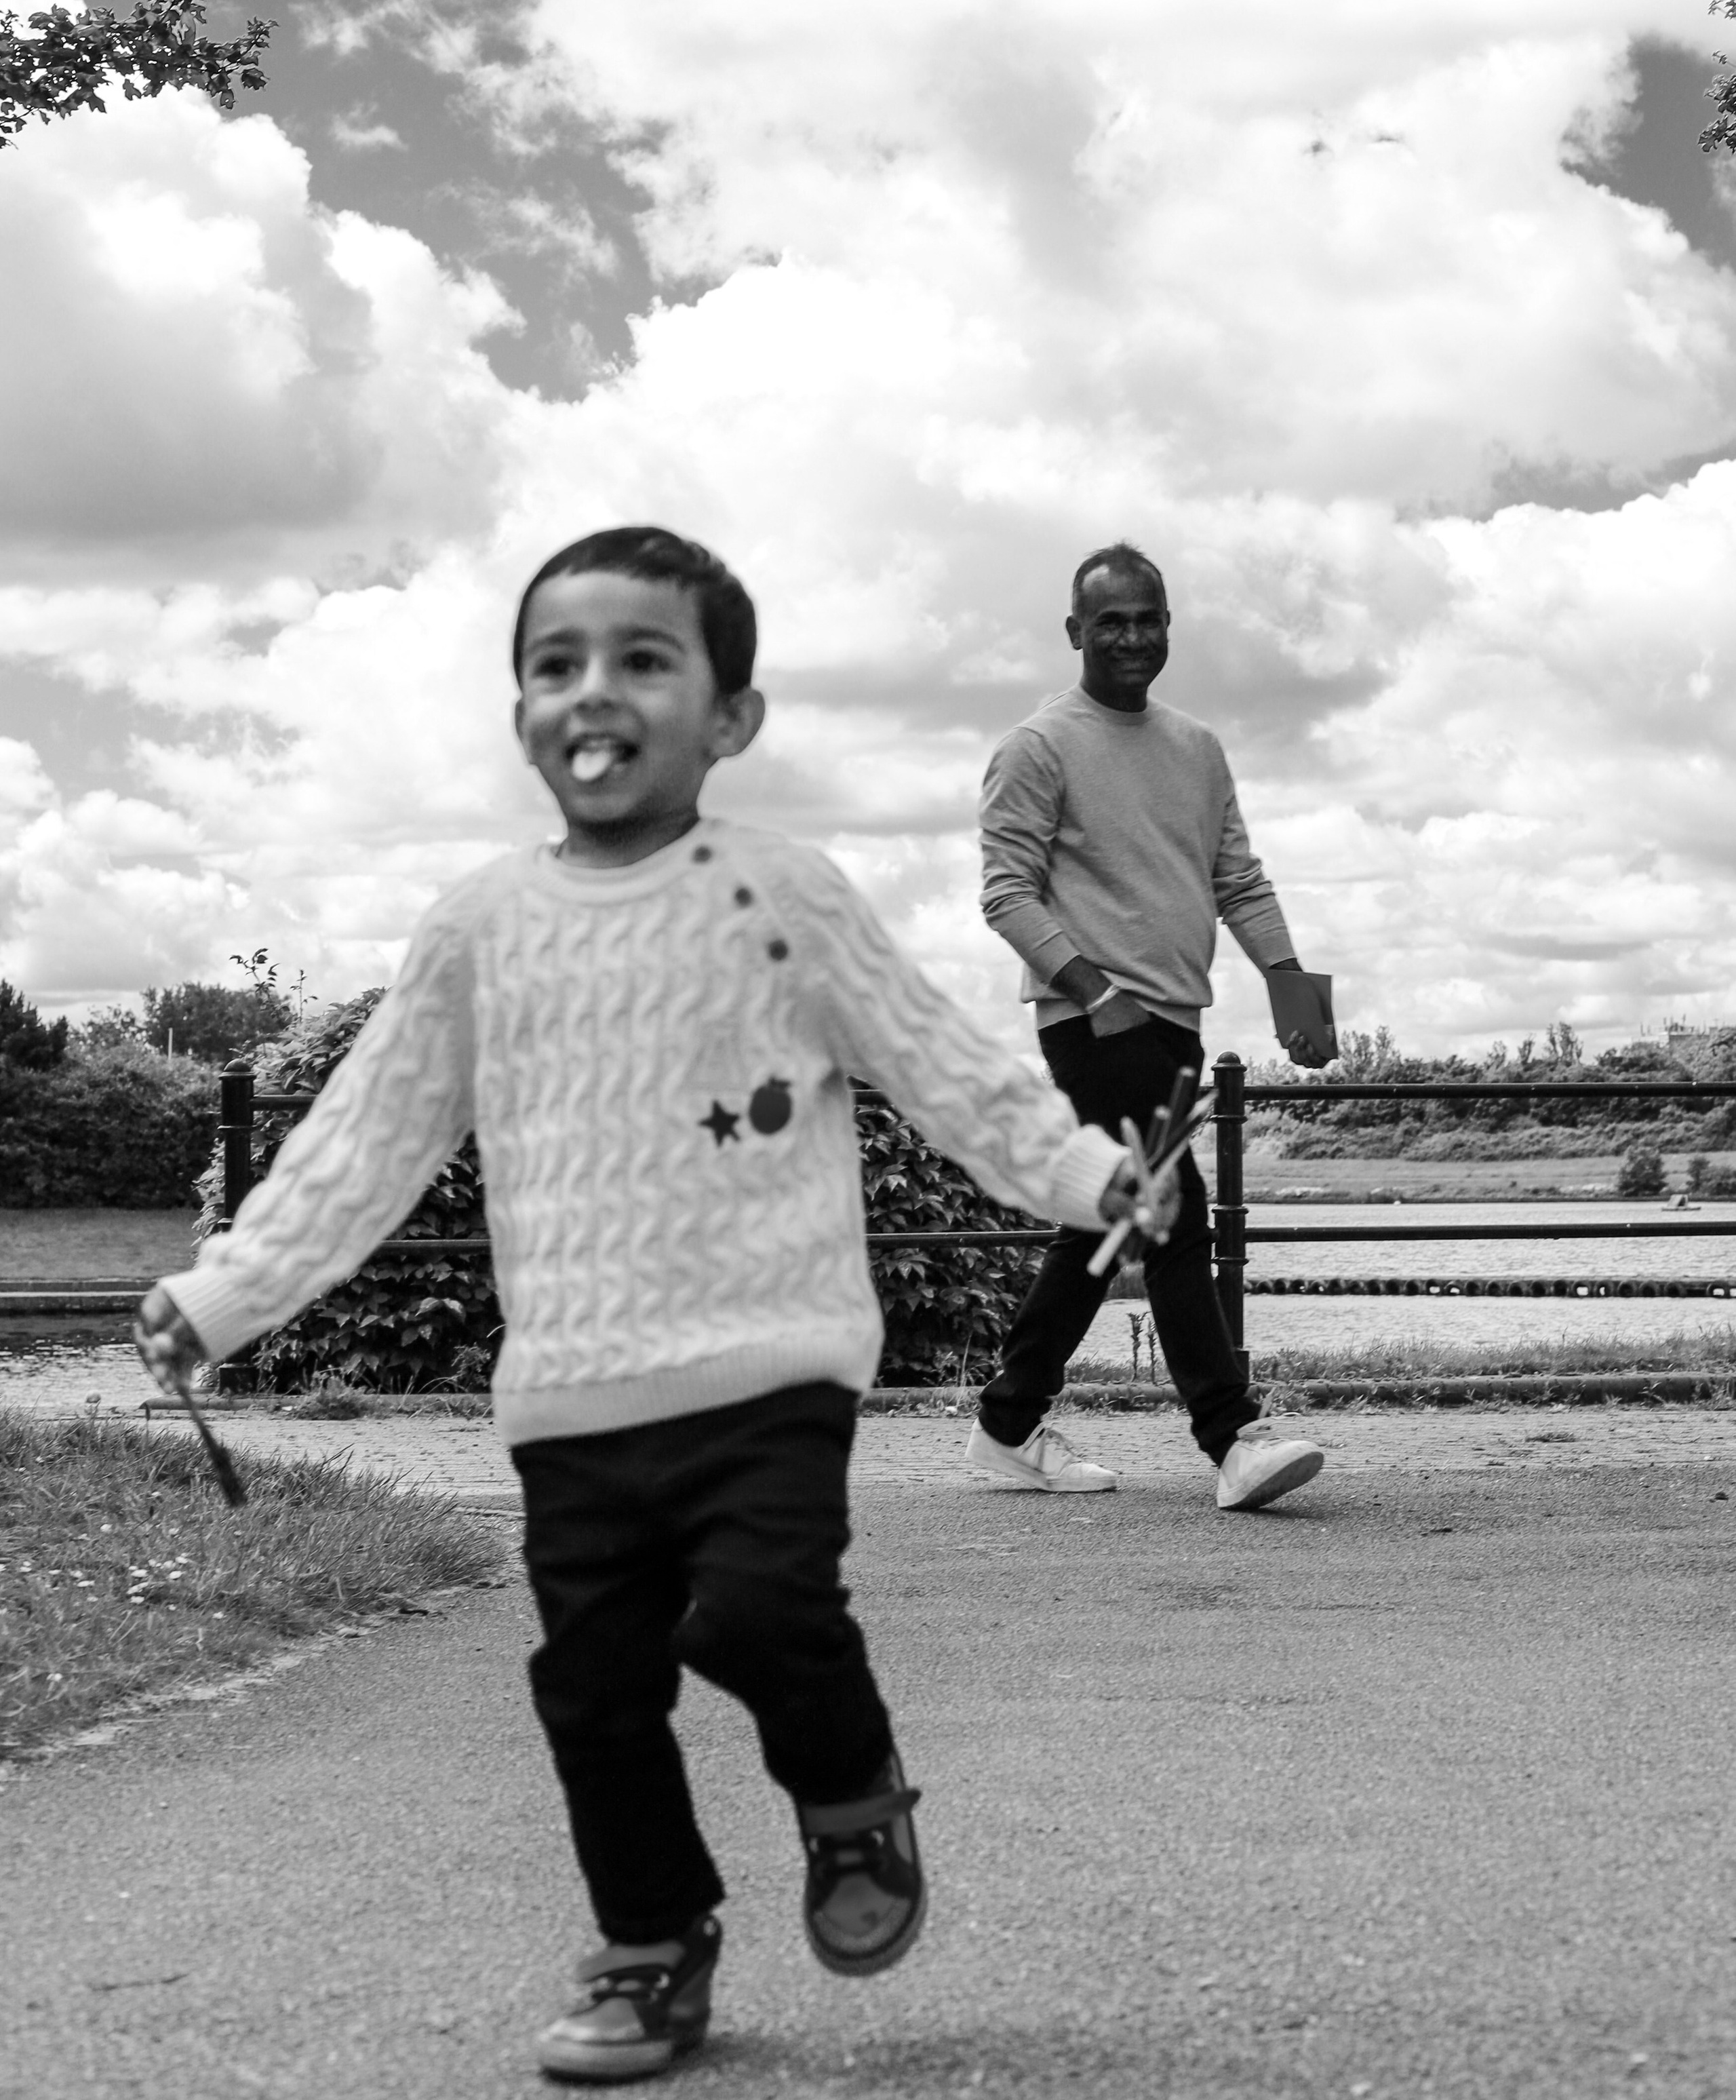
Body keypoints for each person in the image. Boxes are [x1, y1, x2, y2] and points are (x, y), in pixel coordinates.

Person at [134, 525, 1164, 2088]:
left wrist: (1091, 1178)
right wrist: (222, 1292)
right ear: (521, 716)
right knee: (593, 1686)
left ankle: (847, 1788)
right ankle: (651, 1940)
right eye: (556, 664)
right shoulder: (478, 929)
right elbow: (365, 1141)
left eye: (640, 659)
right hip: (572, 1393)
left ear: (728, 718)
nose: (591, 691)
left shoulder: (784, 893)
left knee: (755, 1615)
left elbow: (942, 1066)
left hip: (773, 1361)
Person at [966, 541, 1329, 1513]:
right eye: (1112, 621)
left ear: (1169, 625)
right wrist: (1094, 989)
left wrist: (1287, 978)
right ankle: (1233, 1436)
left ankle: (1006, 1425)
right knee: (1174, 1213)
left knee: (1106, 1220)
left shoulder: (1197, 748)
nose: (1133, 636)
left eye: (1149, 618)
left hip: (1171, 1020)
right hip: (1094, 1021)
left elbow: (1236, 878)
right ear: (1076, 633)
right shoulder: (1038, 747)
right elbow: (1005, 895)